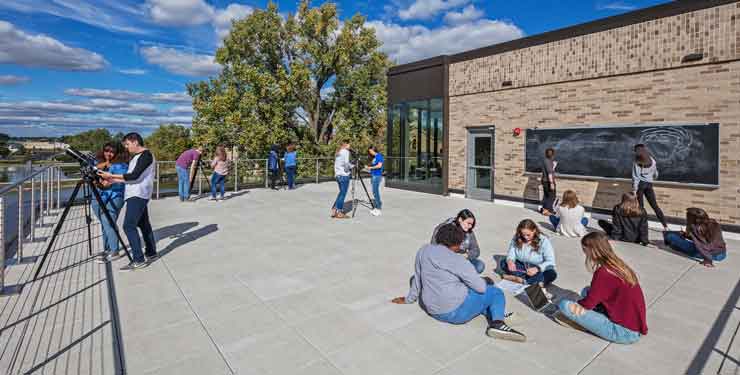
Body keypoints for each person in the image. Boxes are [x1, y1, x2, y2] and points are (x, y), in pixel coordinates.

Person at [392, 223, 526, 341]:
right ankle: (498, 323)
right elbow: (481, 289)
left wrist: (409, 299)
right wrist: (483, 281)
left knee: (472, 290)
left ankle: (495, 312)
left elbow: (418, 277)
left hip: (432, 309)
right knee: (494, 291)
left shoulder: (424, 250)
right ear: (457, 243)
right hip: (455, 313)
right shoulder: (459, 261)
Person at [554, 232, 647, 344]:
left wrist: (576, 304)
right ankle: (595, 318)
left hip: (622, 332)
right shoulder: (618, 265)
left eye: (585, 249)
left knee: (564, 305)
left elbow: (588, 304)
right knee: (586, 290)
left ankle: (588, 324)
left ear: (593, 250)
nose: (584, 253)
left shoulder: (603, 273)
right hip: (632, 325)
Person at [99, 133, 157, 271]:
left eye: (127, 144)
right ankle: (151, 252)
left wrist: (111, 175)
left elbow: (134, 175)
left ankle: (138, 259)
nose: (126, 147)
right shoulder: (136, 157)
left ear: (135, 142)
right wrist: (113, 180)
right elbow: (130, 178)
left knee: (128, 226)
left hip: (138, 195)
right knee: (143, 224)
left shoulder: (146, 155)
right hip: (135, 193)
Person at [92, 143, 128, 262]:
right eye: (106, 151)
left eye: (112, 152)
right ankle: (107, 249)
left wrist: (109, 181)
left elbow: (122, 179)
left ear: (117, 153)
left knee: (108, 221)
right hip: (99, 196)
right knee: (104, 223)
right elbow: (94, 168)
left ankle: (114, 251)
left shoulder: (121, 165)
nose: (109, 154)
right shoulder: (100, 163)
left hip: (115, 196)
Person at [500, 219, 557, 286]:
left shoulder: (544, 241)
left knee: (551, 274)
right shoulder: (517, 237)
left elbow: (551, 261)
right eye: (523, 234)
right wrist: (510, 261)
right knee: (503, 262)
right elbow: (511, 253)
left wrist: (537, 268)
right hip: (522, 266)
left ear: (534, 230)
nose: (526, 237)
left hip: (537, 268)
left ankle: (521, 280)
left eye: (528, 235)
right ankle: (532, 282)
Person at [431, 209, 484, 273]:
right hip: (445, 259)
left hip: (461, 259)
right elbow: (433, 248)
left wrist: (466, 255)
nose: (470, 226)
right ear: (460, 220)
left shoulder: (469, 231)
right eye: (468, 223)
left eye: (472, 225)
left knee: (479, 265)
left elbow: (476, 250)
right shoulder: (444, 229)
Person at [632, 144, 668, 230]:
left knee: (641, 207)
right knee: (655, 206)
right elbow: (656, 173)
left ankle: (642, 226)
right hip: (649, 185)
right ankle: (665, 226)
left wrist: (634, 189)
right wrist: (653, 178)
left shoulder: (636, 162)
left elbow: (635, 177)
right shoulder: (652, 160)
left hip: (640, 185)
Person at [331, 140, 352, 219]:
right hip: (344, 175)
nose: (350, 146)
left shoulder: (338, 152)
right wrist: (350, 168)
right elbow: (346, 164)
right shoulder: (345, 152)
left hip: (338, 175)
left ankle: (334, 209)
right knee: (343, 194)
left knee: (341, 193)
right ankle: (339, 212)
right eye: (349, 144)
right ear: (346, 144)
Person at [366, 146, 384, 215]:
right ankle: (376, 207)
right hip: (373, 175)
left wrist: (370, 167)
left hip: (377, 176)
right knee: (374, 192)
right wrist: (368, 168)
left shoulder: (379, 156)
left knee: (375, 192)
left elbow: (379, 166)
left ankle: (378, 209)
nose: (370, 152)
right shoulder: (375, 157)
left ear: (374, 150)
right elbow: (374, 166)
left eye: (370, 151)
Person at [540, 148, 557, 216]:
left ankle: (544, 209)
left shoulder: (545, 160)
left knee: (546, 195)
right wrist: (551, 183)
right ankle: (548, 210)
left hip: (544, 180)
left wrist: (554, 166)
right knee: (552, 196)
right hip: (548, 181)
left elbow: (549, 170)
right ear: (552, 155)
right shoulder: (548, 161)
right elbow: (549, 173)